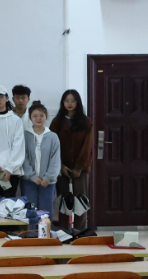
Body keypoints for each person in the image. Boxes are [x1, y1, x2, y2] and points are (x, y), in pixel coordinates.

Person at [49, 89, 92, 231]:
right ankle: (63, 231)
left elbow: (88, 147)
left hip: (81, 169)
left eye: (73, 101)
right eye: (67, 101)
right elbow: (52, 145)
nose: (70, 104)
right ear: (63, 103)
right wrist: (61, 166)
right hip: (62, 167)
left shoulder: (86, 122)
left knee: (80, 201)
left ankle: (80, 231)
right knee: (63, 200)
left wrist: (79, 167)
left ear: (78, 103)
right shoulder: (57, 122)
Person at [22, 102, 60, 215]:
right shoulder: (25, 135)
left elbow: (55, 160)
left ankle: (46, 228)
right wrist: (32, 176)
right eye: (35, 116)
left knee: (45, 212)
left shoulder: (53, 136)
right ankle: (31, 228)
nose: (38, 118)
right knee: (30, 211)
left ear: (46, 117)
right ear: (30, 118)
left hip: (48, 182)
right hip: (29, 180)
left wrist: (48, 177)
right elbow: (23, 157)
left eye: (41, 116)